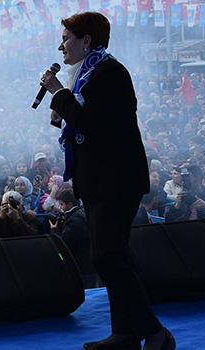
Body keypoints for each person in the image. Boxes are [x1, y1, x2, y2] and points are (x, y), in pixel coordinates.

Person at [40, 12, 174, 350]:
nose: (61, 46)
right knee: (116, 256)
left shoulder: (110, 73)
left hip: (117, 181)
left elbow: (94, 126)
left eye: (67, 38)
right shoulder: (86, 74)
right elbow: (83, 125)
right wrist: (62, 113)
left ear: (87, 40)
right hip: (99, 180)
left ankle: (155, 332)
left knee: (107, 257)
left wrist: (59, 95)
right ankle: (125, 334)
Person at [49, 188, 98, 288]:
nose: (60, 207)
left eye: (62, 204)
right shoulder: (83, 213)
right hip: (90, 263)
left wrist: (54, 230)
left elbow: (64, 244)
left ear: (70, 204)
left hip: (82, 266)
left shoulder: (74, 221)